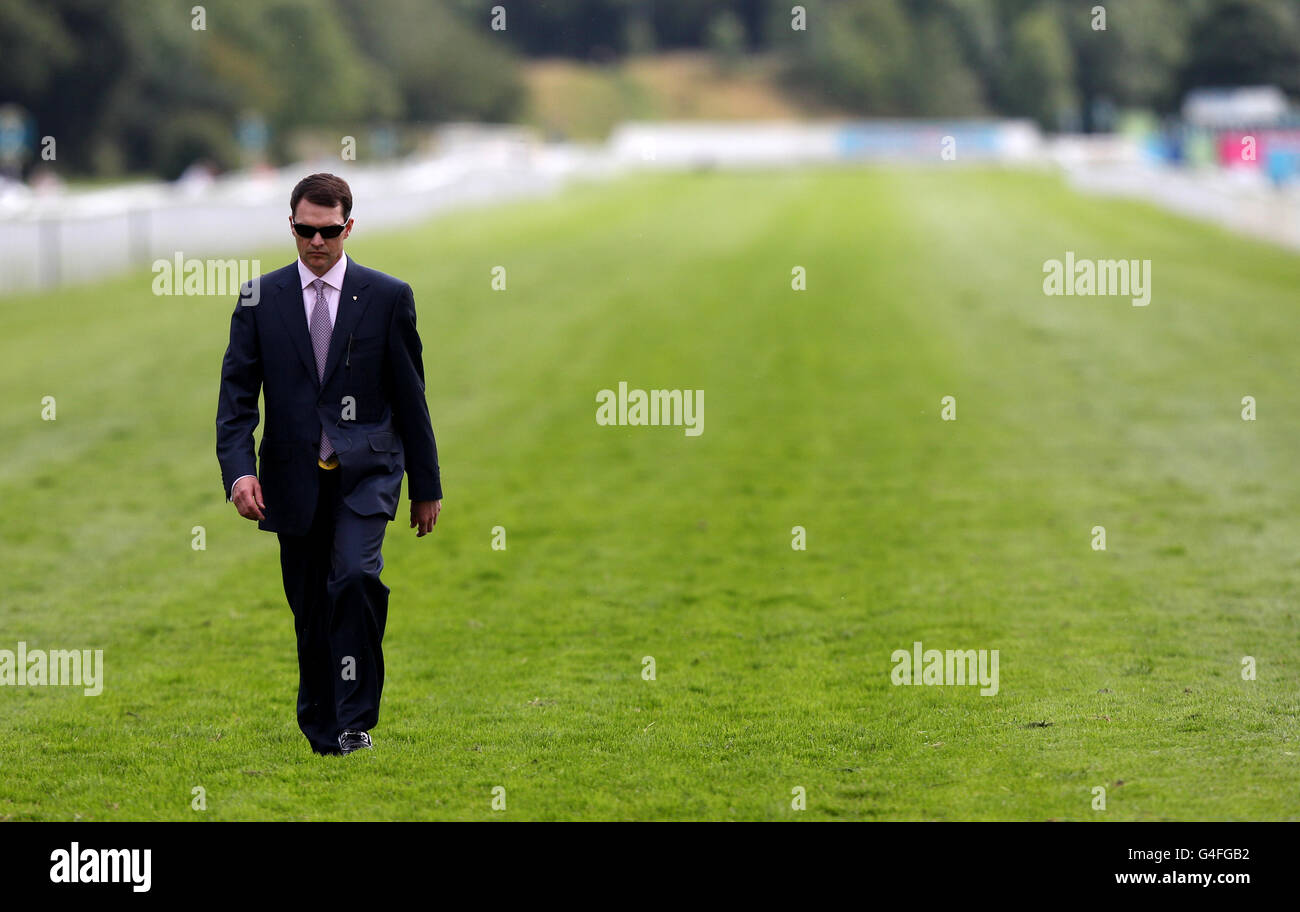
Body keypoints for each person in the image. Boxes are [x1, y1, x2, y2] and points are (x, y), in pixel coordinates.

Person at [216, 172, 442, 756]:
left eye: (329, 230)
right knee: (311, 605)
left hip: (367, 472)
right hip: (291, 479)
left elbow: (411, 397)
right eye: (305, 230)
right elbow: (237, 400)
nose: (317, 242)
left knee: (356, 578)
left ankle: (355, 718)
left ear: (349, 225)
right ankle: (323, 728)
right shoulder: (258, 299)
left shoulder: (389, 296)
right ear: (291, 225)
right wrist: (240, 473)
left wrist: (426, 485)